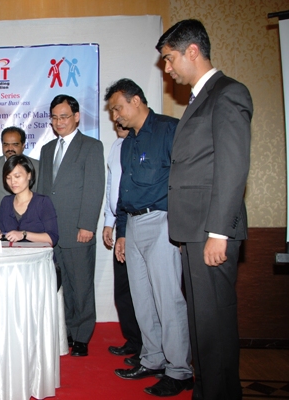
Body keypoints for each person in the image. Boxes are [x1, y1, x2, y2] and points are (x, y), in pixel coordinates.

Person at [157, 19, 252, 400]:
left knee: (215, 329)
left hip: (212, 232)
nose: (167, 68)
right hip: (194, 233)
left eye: (169, 58)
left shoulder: (227, 93)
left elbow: (232, 167)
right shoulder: (199, 100)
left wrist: (218, 232)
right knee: (202, 329)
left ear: (192, 51)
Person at [105, 78, 193, 397]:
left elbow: (186, 181)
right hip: (132, 224)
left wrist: (182, 229)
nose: (115, 116)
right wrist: (122, 233)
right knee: (142, 300)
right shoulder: (128, 142)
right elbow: (125, 192)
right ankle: (153, 359)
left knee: (167, 299)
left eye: (118, 108)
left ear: (136, 100)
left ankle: (180, 370)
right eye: (112, 111)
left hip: (162, 222)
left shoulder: (170, 130)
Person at [36, 94, 105, 357]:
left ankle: (82, 336)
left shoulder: (91, 146)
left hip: (78, 230)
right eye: (54, 117)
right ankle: (65, 331)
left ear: (76, 117)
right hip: (52, 232)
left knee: (81, 285)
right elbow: (43, 191)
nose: (59, 122)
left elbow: (94, 188)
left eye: (64, 116)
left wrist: (87, 225)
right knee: (59, 284)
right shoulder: (47, 149)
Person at [102, 123, 142, 365]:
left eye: (120, 113)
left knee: (142, 291)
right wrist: (109, 222)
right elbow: (111, 187)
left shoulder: (141, 144)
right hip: (121, 225)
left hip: (140, 222)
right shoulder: (117, 146)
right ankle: (134, 340)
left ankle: (148, 346)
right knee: (123, 289)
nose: (116, 120)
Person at [0, 155, 58, 246]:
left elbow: (52, 238)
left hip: (37, 254)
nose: (13, 182)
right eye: (8, 178)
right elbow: (1, 231)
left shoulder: (42, 202)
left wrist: (24, 234)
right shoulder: (6, 202)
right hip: (12, 253)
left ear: (29, 175)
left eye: (17, 176)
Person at [0, 126, 38, 226]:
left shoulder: (37, 166)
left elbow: (41, 195)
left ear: (23, 145)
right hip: (1, 224)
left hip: (30, 222)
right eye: (6, 144)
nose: (10, 148)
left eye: (15, 144)